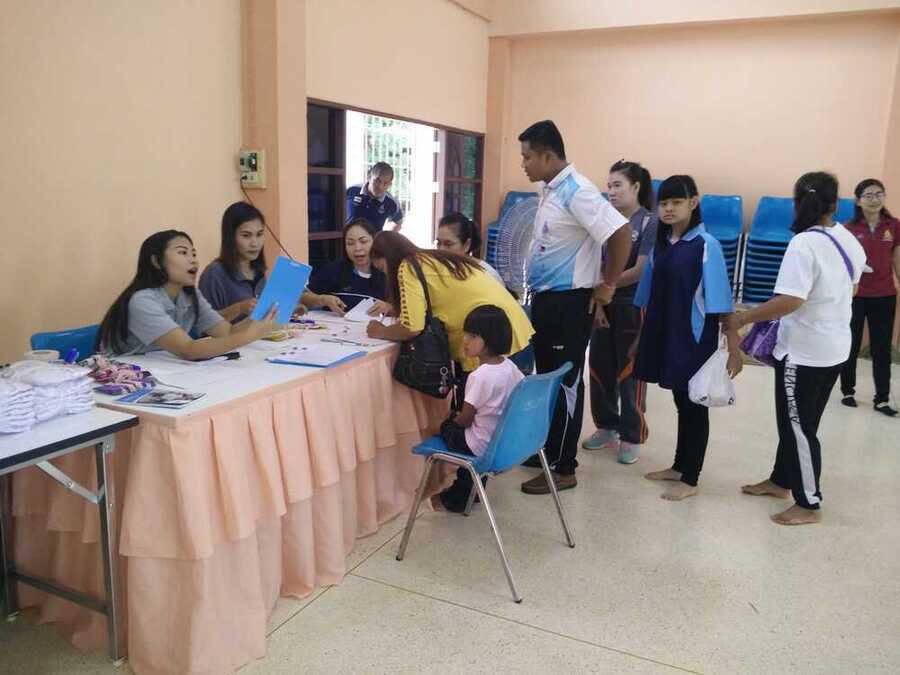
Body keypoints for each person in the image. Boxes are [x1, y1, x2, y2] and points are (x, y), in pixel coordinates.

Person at [727, 172, 866, 525]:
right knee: (802, 421)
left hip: (804, 352)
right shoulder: (848, 238)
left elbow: (790, 300)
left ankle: (809, 503)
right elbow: (852, 288)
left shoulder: (803, 244)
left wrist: (744, 317)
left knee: (799, 427)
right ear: (834, 204)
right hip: (835, 347)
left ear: (798, 203)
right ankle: (780, 480)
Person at [516, 120, 632, 496]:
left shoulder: (578, 191)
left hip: (569, 302)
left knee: (565, 383)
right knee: (547, 379)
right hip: (546, 300)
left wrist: (608, 285)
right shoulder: (550, 189)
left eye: (527, 157)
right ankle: (549, 449)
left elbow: (620, 233)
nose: (523, 164)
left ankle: (563, 468)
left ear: (548, 156)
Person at [634, 176, 742, 501]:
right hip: (665, 333)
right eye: (663, 203)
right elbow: (648, 294)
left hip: (694, 337)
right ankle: (679, 466)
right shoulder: (662, 243)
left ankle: (690, 479)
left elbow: (722, 301)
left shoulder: (706, 244)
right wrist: (640, 337)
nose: (668, 208)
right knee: (681, 401)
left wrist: (734, 347)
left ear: (693, 203)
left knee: (694, 405)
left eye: (676, 202)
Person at [365, 232, 533, 377]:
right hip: (509, 329)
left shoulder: (407, 267)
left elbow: (412, 327)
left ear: (389, 258)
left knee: (481, 400)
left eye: (383, 268)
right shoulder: (429, 259)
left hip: (491, 338)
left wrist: (380, 331)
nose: (386, 275)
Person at [582, 160, 658, 465]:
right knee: (599, 367)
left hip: (632, 305)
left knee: (630, 372)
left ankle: (631, 434)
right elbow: (597, 264)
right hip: (602, 303)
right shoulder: (605, 220)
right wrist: (600, 302)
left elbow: (640, 270)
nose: (611, 192)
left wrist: (607, 286)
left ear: (636, 187)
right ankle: (606, 425)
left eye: (618, 185)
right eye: (609, 186)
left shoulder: (649, 223)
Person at [97, 230, 276, 358]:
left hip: (163, 369)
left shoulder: (190, 295)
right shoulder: (142, 301)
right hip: (122, 378)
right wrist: (250, 335)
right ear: (156, 261)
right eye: (183, 252)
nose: (193, 260)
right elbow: (188, 349)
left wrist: (264, 315)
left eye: (194, 253)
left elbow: (226, 332)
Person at [434, 305, 524, 513]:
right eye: (466, 333)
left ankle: (458, 498)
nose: (465, 340)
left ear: (491, 339)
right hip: (503, 440)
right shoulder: (510, 367)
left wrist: (451, 420)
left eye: (473, 336)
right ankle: (475, 489)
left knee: (447, 427)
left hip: (480, 444)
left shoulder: (479, 376)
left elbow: (465, 420)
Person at [839, 178, 899, 416]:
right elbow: (843, 264)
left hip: (885, 294)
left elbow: (897, 258)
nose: (874, 199)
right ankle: (847, 391)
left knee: (882, 348)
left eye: (879, 194)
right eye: (869, 195)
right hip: (855, 295)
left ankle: (882, 399)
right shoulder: (848, 229)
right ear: (858, 201)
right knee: (851, 344)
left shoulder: (894, 225)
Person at [199, 202, 268, 323]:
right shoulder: (214, 274)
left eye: (259, 234)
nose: (255, 243)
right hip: (230, 336)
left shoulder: (259, 271)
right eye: (246, 236)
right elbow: (203, 324)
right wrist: (239, 308)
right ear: (230, 237)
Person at [308, 218, 390, 312]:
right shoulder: (334, 270)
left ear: (374, 242)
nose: (357, 248)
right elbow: (303, 296)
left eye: (363, 241)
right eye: (350, 243)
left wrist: (389, 308)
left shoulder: (387, 272)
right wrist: (322, 299)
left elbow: (402, 307)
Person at [435, 212, 503, 284]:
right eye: (438, 243)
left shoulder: (487, 274)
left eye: (448, 244)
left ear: (466, 245)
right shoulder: (436, 270)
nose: (441, 249)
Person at [346, 162, 404, 232]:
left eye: (385, 183)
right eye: (377, 180)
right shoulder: (351, 190)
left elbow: (398, 222)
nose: (380, 186)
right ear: (369, 177)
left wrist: (386, 237)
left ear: (390, 184)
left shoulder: (391, 202)